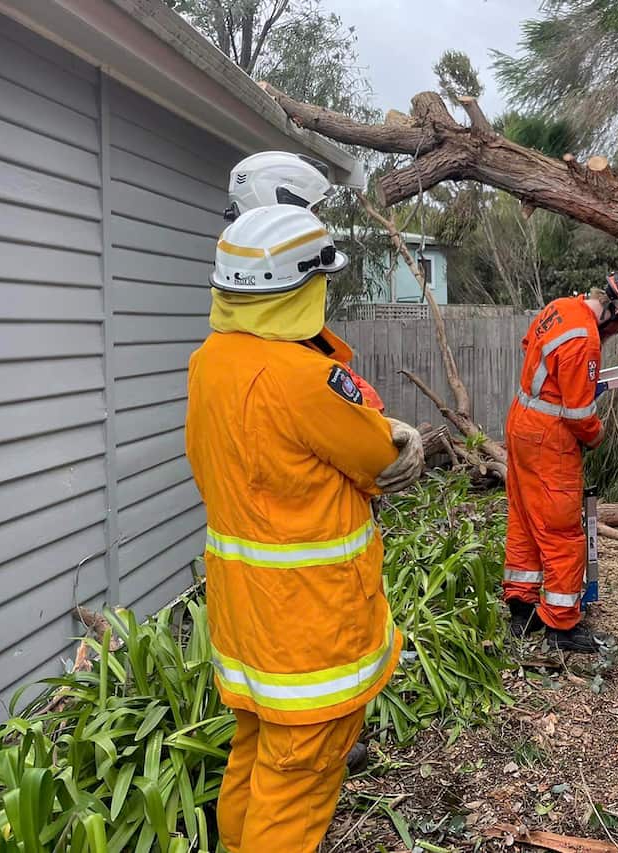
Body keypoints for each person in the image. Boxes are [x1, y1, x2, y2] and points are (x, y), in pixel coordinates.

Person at [186, 205, 424, 851]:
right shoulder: (302, 377)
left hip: (245, 623)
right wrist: (401, 437)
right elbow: (380, 458)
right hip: (310, 633)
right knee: (298, 784)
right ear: (302, 288)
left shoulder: (209, 362)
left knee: (255, 758)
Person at [504, 271, 618, 652]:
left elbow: (532, 347)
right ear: (616, 309)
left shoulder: (560, 308)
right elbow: (578, 414)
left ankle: (521, 608)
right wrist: (597, 434)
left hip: (521, 422)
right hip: (550, 437)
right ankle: (560, 625)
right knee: (562, 531)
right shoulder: (586, 340)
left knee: (525, 517)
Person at [224, 150, 385, 412]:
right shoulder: (292, 364)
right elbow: (366, 433)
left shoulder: (215, 351)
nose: (319, 222)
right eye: (316, 211)